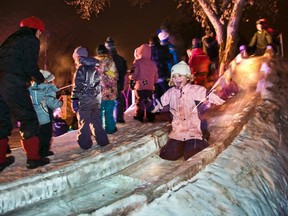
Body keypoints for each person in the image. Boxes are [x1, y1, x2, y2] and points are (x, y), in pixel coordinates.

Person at [0, 16, 51, 170]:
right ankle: (34, 158)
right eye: (40, 33)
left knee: (1, 120)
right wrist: (41, 78)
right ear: (36, 29)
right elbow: (29, 64)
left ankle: (0, 160)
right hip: (13, 82)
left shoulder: (10, 40)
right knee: (28, 118)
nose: (40, 36)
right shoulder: (30, 40)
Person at [148, 61, 225, 161]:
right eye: (174, 76)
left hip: (194, 132)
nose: (176, 79)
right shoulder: (170, 93)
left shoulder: (195, 90)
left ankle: (202, 140)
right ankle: (180, 147)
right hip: (178, 132)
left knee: (192, 156)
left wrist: (221, 93)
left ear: (188, 77)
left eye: (180, 75)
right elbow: (160, 104)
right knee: (166, 155)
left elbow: (210, 96)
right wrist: (150, 105)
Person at [71, 46, 110, 149]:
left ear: (77, 57)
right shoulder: (96, 67)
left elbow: (78, 86)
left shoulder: (81, 69)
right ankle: (103, 141)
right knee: (95, 121)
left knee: (84, 122)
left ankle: (85, 144)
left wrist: (74, 99)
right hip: (95, 99)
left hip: (84, 100)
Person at [29, 69, 63, 158]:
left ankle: (38, 151)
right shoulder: (48, 89)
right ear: (46, 80)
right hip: (45, 115)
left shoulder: (32, 88)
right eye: (51, 80)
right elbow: (50, 102)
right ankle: (44, 152)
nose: (53, 82)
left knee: (39, 134)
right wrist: (60, 103)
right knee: (47, 134)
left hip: (35, 116)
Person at [129, 44, 158, 122]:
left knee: (140, 100)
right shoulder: (153, 63)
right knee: (149, 100)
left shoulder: (138, 62)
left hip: (140, 85)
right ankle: (150, 114)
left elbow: (134, 72)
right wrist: (154, 82)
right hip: (150, 85)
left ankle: (139, 115)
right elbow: (156, 74)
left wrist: (131, 78)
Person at [95, 44, 118, 134]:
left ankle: (99, 130)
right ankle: (110, 128)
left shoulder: (93, 62)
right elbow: (115, 76)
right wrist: (107, 72)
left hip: (97, 91)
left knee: (99, 112)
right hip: (109, 91)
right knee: (109, 110)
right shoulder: (110, 61)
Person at [105, 37, 128, 123]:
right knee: (119, 100)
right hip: (119, 82)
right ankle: (119, 118)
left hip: (109, 83)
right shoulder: (120, 59)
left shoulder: (106, 59)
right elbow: (124, 70)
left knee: (109, 101)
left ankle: (109, 119)